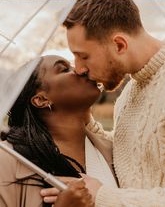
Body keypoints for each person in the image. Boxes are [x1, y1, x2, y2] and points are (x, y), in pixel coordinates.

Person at [42, 0, 165, 207]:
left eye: (84, 56)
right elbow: (133, 154)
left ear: (119, 44)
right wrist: (85, 121)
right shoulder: (131, 89)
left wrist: (102, 197)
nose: (79, 68)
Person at [0, 55, 117, 207]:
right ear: (41, 100)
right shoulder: (6, 162)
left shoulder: (113, 150)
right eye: (64, 69)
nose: (81, 70)